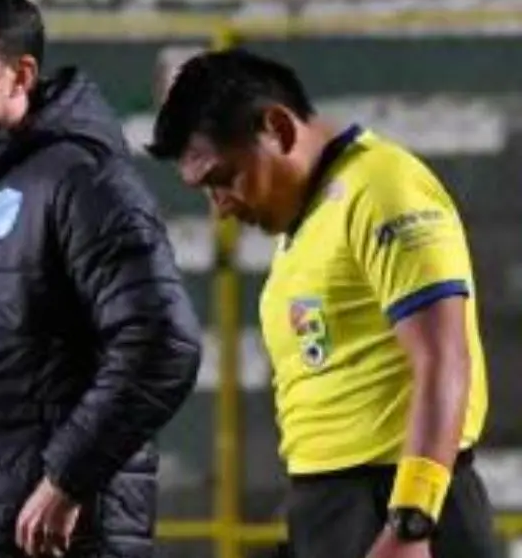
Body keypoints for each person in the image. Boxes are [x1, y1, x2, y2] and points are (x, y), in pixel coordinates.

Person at [0, 0, 204, 558]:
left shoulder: (83, 181)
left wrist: (68, 479)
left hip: (60, 542)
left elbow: (162, 341)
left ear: (21, 76)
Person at [147, 49, 493, 558]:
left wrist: (411, 524)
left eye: (223, 179)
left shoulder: (382, 188)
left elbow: (443, 358)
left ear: (278, 129)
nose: (219, 207)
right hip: (334, 508)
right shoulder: (308, 220)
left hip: (392, 508)